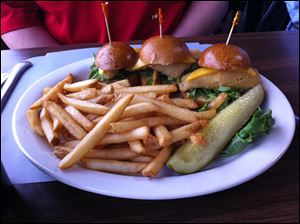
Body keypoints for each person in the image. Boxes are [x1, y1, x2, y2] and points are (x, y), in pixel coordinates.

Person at [1, 1, 228, 49]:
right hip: (58, 56)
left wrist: (169, 50)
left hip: (171, 46)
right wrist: (59, 64)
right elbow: (11, 9)